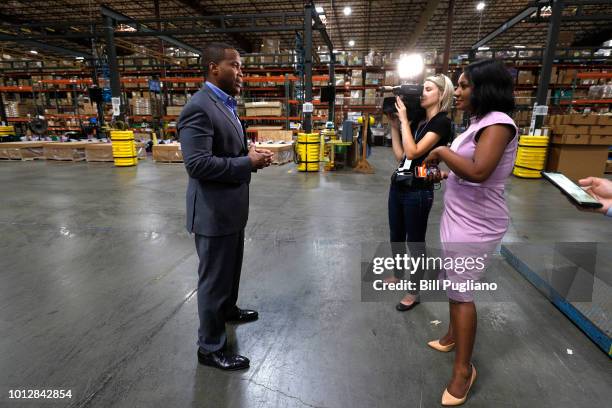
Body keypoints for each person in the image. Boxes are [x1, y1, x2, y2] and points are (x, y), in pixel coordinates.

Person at [423, 59, 517, 405]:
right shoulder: (478, 122)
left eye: (464, 86)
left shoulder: (499, 124)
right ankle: (451, 334)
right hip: (459, 215)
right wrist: (447, 175)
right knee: (454, 280)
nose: (457, 92)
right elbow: (471, 172)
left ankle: (464, 370)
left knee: (462, 292)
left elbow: (479, 172)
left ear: (485, 88)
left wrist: (443, 152)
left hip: (477, 223)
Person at [178, 42, 273, 371]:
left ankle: (228, 310)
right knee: (213, 280)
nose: (241, 73)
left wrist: (250, 156)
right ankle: (210, 347)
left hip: (230, 209)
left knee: (230, 270)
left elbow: (225, 150)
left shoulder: (226, 105)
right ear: (213, 68)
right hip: (212, 212)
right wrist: (247, 163)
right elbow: (198, 164)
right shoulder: (199, 107)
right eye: (235, 66)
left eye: (242, 68)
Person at [386, 74, 454, 311]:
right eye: (422, 88)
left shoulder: (441, 123)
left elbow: (414, 153)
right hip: (399, 185)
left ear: (442, 94)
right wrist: (396, 126)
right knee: (396, 235)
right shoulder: (418, 122)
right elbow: (401, 157)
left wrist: (404, 120)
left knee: (415, 242)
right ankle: (397, 274)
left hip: (419, 190)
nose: (422, 93)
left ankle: (413, 291)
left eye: (428, 89)